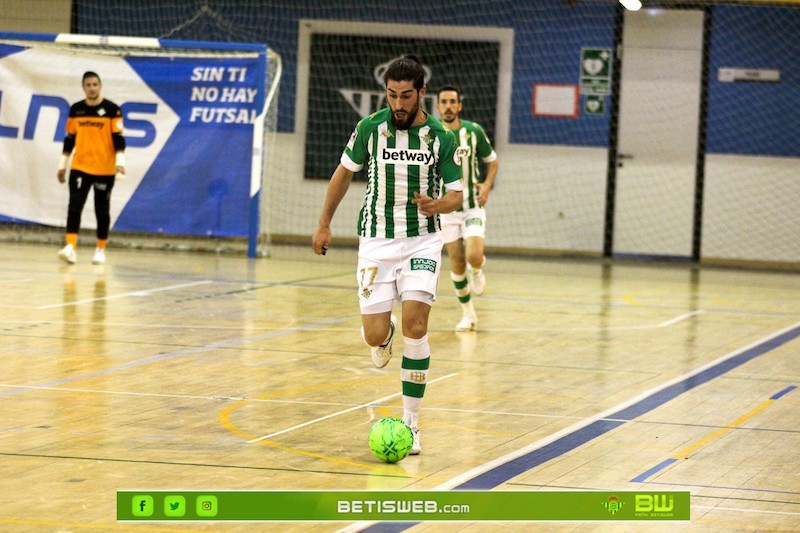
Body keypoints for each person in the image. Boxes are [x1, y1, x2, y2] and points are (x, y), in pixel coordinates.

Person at [312, 55, 463, 455]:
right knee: (374, 334)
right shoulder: (369, 129)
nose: (398, 103)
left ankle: (411, 422)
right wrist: (324, 222)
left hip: (422, 240)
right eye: (392, 95)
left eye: (406, 96)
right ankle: (384, 336)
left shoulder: (440, 138)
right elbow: (343, 173)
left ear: (421, 94)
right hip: (376, 241)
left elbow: (456, 194)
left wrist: (438, 206)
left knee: (416, 324)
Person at [435, 85, 499, 332]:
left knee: (473, 256)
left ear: (459, 106)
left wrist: (486, 187)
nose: (448, 106)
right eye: (444, 102)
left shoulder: (473, 132)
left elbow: (492, 162)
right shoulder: (431, 134)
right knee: (457, 264)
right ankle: (468, 315)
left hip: (472, 206)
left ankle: (478, 268)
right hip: (447, 210)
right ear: (438, 106)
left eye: (453, 102)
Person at [57, 71, 126, 265]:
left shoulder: (112, 109)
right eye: (88, 85)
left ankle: (100, 249)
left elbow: (118, 138)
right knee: (75, 206)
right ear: (83, 87)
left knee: (101, 209)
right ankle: (70, 246)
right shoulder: (76, 109)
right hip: (80, 167)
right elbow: (69, 139)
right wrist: (62, 164)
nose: (92, 88)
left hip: (104, 168)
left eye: (95, 84)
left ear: (100, 86)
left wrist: (120, 161)